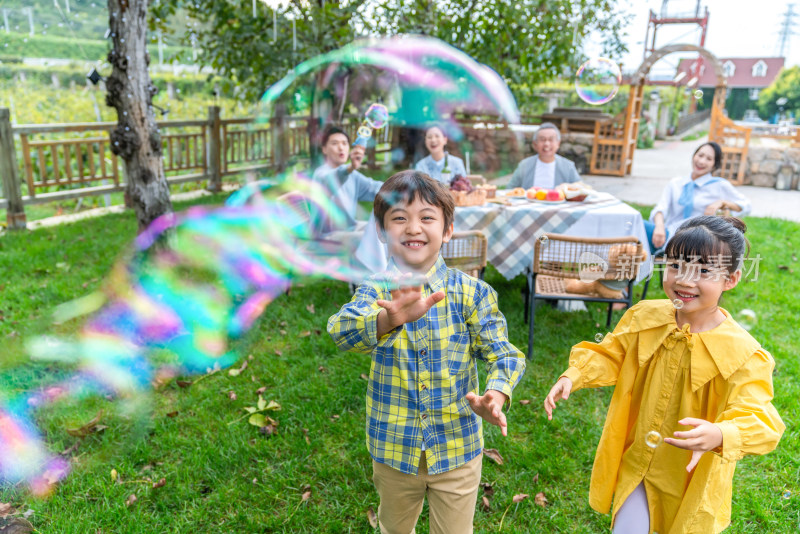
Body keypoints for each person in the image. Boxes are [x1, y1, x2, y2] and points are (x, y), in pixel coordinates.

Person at [543, 215, 784, 534]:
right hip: (639, 460)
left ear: (731, 279)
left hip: (690, 476)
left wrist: (722, 434)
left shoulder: (742, 354)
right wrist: (575, 374)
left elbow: (758, 416)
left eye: (703, 271)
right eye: (675, 266)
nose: (684, 280)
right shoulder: (645, 316)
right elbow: (613, 353)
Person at [327, 171, 526, 534]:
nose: (413, 227)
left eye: (427, 217)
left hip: (457, 446)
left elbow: (504, 354)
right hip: (392, 448)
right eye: (399, 217)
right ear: (381, 230)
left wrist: (496, 393)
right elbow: (342, 332)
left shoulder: (472, 293)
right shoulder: (374, 290)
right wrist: (384, 321)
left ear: (448, 229)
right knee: (395, 527)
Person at [647, 141, 751, 254]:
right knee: (635, 228)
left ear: (714, 165)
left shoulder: (719, 185)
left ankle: (642, 267)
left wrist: (722, 203)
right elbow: (661, 208)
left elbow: (746, 205)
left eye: (709, 159)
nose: (701, 161)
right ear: (694, 156)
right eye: (700, 155)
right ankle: (641, 267)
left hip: (696, 243)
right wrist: (659, 227)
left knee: (638, 232)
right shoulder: (676, 183)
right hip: (666, 235)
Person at [312, 126, 383, 232]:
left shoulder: (352, 175)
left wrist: (403, 185)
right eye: (335, 143)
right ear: (324, 149)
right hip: (326, 237)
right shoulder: (321, 174)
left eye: (344, 143)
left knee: (385, 231)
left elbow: (374, 188)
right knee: (376, 239)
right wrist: (351, 167)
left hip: (350, 229)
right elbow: (334, 179)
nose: (341, 148)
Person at [507, 122, 581, 190]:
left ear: (558, 143)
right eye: (542, 140)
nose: (546, 144)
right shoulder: (524, 165)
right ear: (535, 144)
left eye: (551, 139)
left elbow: (581, 188)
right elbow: (509, 190)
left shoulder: (568, 166)